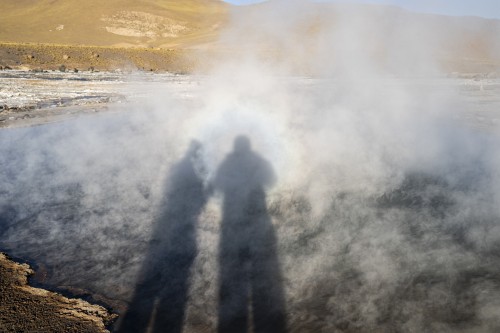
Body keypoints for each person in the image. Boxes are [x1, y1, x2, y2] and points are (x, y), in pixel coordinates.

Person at [118, 140, 207, 333]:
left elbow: (169, 190)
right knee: (178, 267)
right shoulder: (196, 168)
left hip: (171, 218)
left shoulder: (178, 166)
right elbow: (199, 196)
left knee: (163, 261)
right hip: (182, 220)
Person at [214, 136, 287, 333]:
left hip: (248, 216)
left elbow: (270, 179)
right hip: (239, 217)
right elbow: (270, 179)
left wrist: (245, 183)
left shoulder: (237, 162)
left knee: (252, 259)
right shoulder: (254, 161)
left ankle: (253, 292)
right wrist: (246, 183)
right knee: (243, 261)